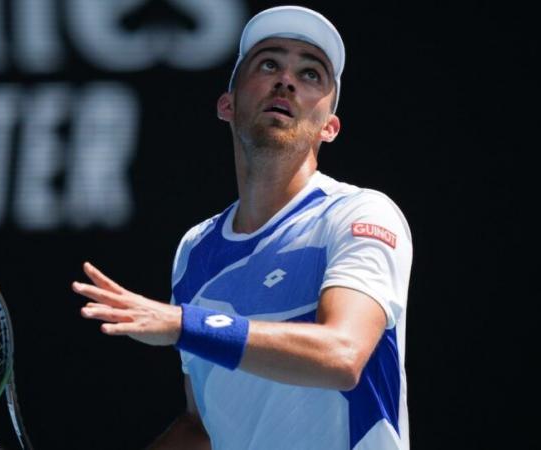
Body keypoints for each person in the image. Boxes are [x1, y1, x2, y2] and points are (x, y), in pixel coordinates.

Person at [73, 5, 413, 450]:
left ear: (329, 127)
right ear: (227, 104)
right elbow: (202, 427)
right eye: (269, 63)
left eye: (311, 74)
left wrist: (183, 323)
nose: (286, 80)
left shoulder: (357, 214)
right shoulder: (195, 251)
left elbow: (342, 355)